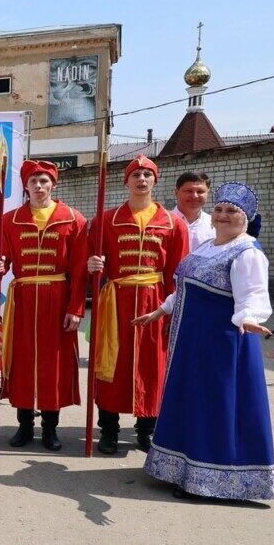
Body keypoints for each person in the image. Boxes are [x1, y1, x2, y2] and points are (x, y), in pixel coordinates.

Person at [136, 181, 274, 500]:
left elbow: (253, 295)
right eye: (219, 210)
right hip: (191, 343)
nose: (223, 216)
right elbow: (185, 287)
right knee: (190, 401)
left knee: (213, 405)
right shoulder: (206, 246)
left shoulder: (247, 251)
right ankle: (180, 469)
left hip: (222, 344)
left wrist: (249, 318)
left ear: (247, 218)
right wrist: (159, 310)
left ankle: (208, 480)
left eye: (232, 212)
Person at [87, 154, 188, 455]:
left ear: (155, 180)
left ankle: (147, 430)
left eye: (147, 174)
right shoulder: (106, 219)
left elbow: (178, 273)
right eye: (136, 174)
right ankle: (109, 429)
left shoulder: (174, 223)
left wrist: (173, 311)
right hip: (116, 301)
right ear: (126, 181)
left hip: (154, 301)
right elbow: (94, 266)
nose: (141, 179)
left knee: (151, 366)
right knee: (111, 365)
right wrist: (94, 266)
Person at [0, 160, 86, 451]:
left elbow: (80, 270)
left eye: (44, 181)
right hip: (24, 298)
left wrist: (76, 307)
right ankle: (24, 426)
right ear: (25, 186)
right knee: (21, 362)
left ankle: (50, 429)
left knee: (52, 364)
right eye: (34, 181)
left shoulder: (73, 219)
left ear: (53, 185)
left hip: (57, 297)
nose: (39, 186)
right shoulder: (9, 220)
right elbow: (0, 261)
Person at [173, 171, 215, 252]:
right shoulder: (163, 223)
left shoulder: (214, 225)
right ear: (176, 192)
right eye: (189, 191)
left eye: (200, 192)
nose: (194, 196)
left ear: (208, 194)